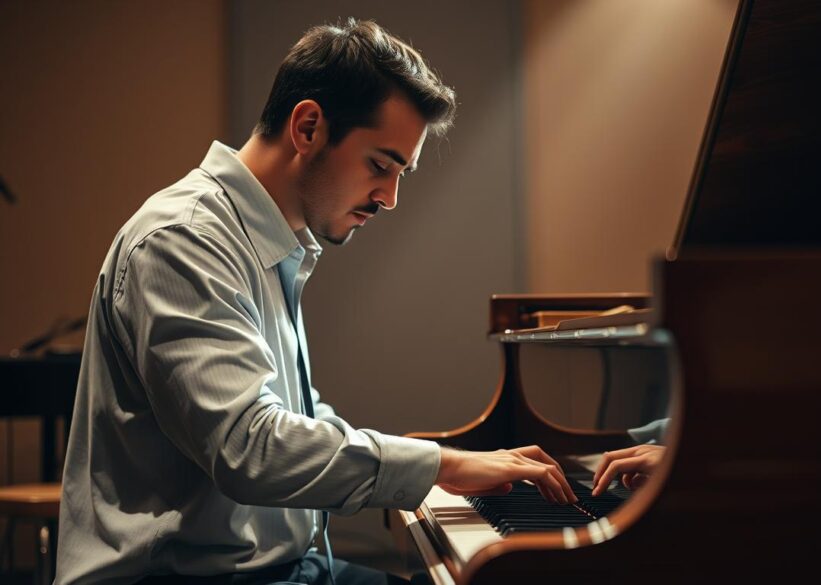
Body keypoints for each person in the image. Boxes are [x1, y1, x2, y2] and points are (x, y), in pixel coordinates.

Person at [55, 19, 575, 585]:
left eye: (401, 172)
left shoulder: (266, 240)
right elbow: (250, 447)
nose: (390, 197)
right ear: (307, 127)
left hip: (278, 569)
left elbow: (295, 418)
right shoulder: (185, 241)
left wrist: (435, 461)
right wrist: (438, 465)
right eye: (381, 165)